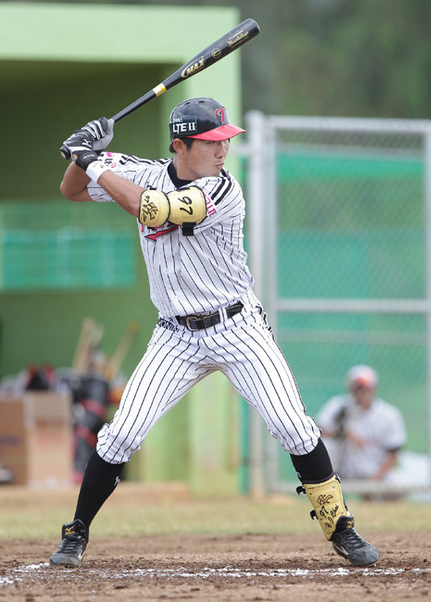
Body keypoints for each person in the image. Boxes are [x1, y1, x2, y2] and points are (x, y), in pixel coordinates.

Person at [49, 98, 379, 569]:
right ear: (180, 145)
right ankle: (76, 532)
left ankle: (340, 527)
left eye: (225, 141)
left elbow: (153, 210)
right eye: (211, 142)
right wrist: (83, 152)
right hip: (175, 337)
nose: (223, 151)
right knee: (121, 434)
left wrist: (91, 159)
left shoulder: (224, 189)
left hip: (238, 327)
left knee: (292, 426)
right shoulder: (141, 172)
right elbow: (73, 190)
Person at [317, 365, 406, 492]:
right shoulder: (339, 406)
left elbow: (393, 453)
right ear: (351, 389)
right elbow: (318, 431)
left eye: (366, 388)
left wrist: (372, 482)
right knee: (326, 443)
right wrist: (343, 433)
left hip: (374, 470)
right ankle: (326, 482)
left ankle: (373, 497)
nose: (361, 393)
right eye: (358, 388)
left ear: (374, 389)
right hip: (343, 468)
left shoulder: (388, 414)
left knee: (400, 483)